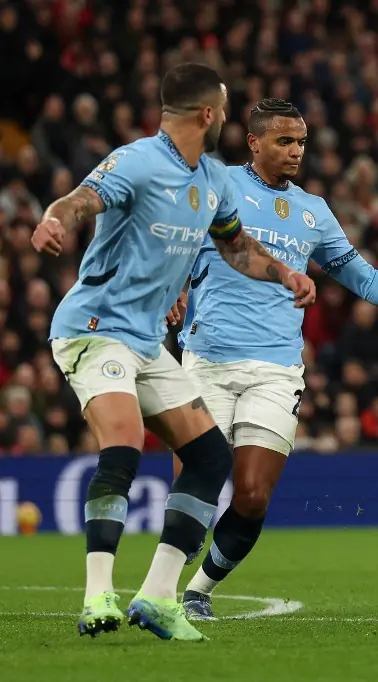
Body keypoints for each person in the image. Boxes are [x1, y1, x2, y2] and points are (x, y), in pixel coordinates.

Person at [171, 98, 378, 621]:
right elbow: (171, 237)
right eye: (284, 141)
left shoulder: (313, 211)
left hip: (276, 369)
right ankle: (165, 577)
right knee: (194, 494)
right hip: (206, 360)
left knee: (252, 496)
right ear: (254, 142)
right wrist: (172, 288)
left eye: (301, 142)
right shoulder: (218, 184)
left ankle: (199, 591)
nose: (296, 151)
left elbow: (365, 279)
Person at [34, 64, 316, 641]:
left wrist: (284, 273)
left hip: (146, 340)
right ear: (209, 113)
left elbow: (236, 247)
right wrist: (52, 219)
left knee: (210, 459)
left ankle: (159, 597)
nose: (228, 116)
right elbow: (79, 200)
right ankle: (97, 596)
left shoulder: (213, 178)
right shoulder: (137, 161)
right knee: (123, 444)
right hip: (95, 327)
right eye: (225, 107)